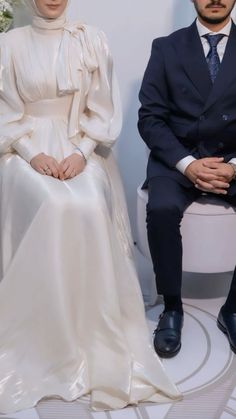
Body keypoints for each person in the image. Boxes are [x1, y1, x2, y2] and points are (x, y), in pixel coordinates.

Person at [0, 0, 182, 414]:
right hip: (20, 151)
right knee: (52, 203)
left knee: (82, 203)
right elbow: (5, 114)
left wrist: (82, 152)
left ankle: (89, 334)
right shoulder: (8, 45)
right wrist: (31, 153)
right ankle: (46, 334)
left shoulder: (91, 40)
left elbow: (102, 111)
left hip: (78, 147)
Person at [138, 0, 236, 359]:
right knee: (161, 208)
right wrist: (187, 164)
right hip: (176, 158)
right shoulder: (166, 47)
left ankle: (233, 309)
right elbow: (150, 118)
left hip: (230, 158)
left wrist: (234, 166)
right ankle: (173, 307)